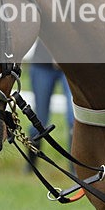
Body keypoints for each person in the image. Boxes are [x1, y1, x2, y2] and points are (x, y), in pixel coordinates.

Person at [26, 40, 74, 170]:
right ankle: (31, 164)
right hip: (42, 65)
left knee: (74, 117)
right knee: (39, 119)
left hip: (72, 65)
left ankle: (74, 168)